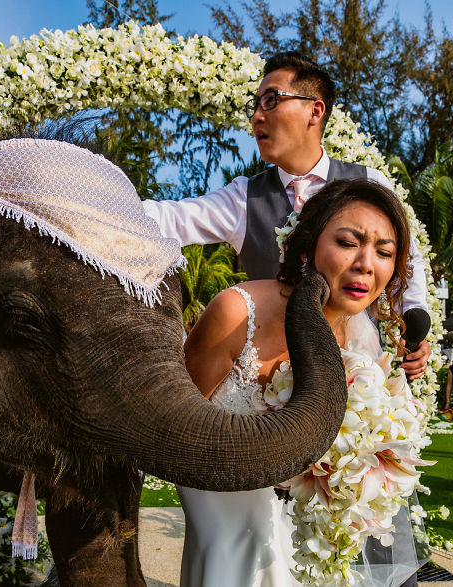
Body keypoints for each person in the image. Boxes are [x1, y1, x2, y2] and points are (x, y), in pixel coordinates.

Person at [178, 178, 421, 587]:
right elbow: (176, 426)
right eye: (348, 242)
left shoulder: (361, 335)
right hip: (224, 523)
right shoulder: (237, 312)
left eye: (383, 252)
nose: (365, 262)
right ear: (307, 247)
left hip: (308, 538)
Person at [142, 50, 432, 379]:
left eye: (271, 99)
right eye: (255, 105)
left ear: (315, 110)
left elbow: (408, 261)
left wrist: (413, 319)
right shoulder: (243, 198)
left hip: (358, 371)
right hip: (270, 382)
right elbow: (167, 219)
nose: (256, 117)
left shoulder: (369, 182)